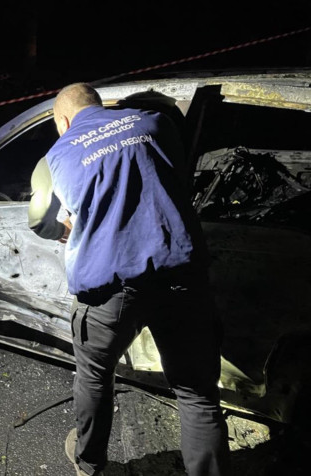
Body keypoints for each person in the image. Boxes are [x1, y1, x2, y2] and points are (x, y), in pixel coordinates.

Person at [28, 83, 230, 475]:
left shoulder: (55, 156)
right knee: (197, 394)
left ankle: (89, 462)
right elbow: (171, 177)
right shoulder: (155, 123)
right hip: (181, 277)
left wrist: (64, 229)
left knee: (94, 376)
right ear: (101, 106)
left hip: (110, 290)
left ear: (63, 121)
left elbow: (38, 219)